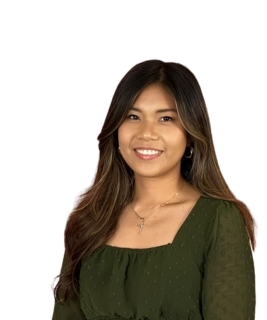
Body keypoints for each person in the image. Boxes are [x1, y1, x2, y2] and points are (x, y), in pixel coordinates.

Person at [52, 59, 256, 320]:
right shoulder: (88, 220)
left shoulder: (218, 220)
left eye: (166, 118)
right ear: (116, 130)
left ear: (191, 133)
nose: (146, 133)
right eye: (133, 116)